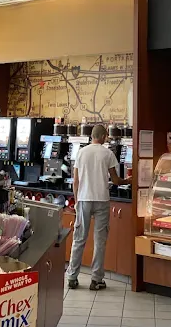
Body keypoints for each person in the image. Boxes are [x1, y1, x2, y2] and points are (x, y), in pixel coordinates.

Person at [67, 123, 131, 290]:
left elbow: (76, 181)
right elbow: (116, 180)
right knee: (99, 241)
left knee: (79, 239)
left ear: (91, 136)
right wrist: (128, 180)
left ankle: (72, 277)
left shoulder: (81, 152)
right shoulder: (107, 153)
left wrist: (77, 201)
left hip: (84, 199)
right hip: (102, 200)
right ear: (103, 137)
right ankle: (96, 279)